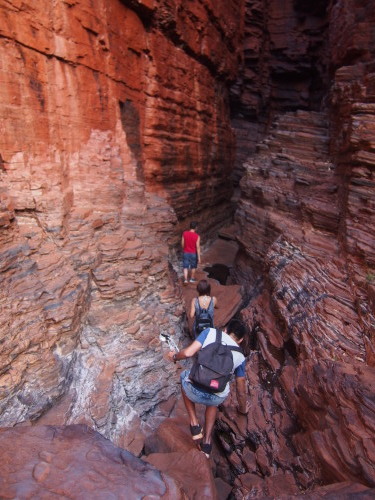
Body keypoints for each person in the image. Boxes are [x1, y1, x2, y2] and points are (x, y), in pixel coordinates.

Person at [167, 319, 248, 458]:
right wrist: (242, 408)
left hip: (195, 388)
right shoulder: (240, 356)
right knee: (218, 393)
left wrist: (174, 356)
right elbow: (241, 387)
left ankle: (194, 423)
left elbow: (187, 353)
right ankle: (207, 443)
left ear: (225, 330)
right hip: (216, 396)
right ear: (240, 340)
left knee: (184, 375)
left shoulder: (209, 332)